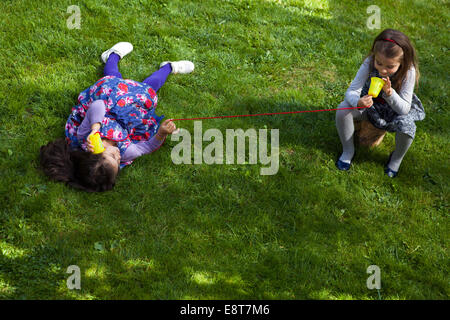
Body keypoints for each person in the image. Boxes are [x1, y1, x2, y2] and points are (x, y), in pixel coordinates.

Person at [40, 42, 194, 192]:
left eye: (113, 156)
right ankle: (169, 67)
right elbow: (146, 147)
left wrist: (95, 128)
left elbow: (98, 105)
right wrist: (161, 133)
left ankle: (112, 56)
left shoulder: (84, 137)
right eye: (119, 162)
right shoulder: (126, 151)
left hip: (108, 100)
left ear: (95, 152)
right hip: (131, 111)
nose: (119, 156)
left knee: (112, 78)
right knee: (148, 89)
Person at [335, 29, 425, 177]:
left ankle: (396, 159)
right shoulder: (369, 63)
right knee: (343, 108)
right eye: (379, 63)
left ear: (402, 62)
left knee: (408, 127)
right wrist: (358, 101)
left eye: (390, 67)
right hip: (371, 106)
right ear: (374, 57)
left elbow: (404, 109)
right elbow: (351, 91)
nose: (383, 70)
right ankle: (348, 150)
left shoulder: (408, 71)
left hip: (395, 111)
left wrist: (390, 94)